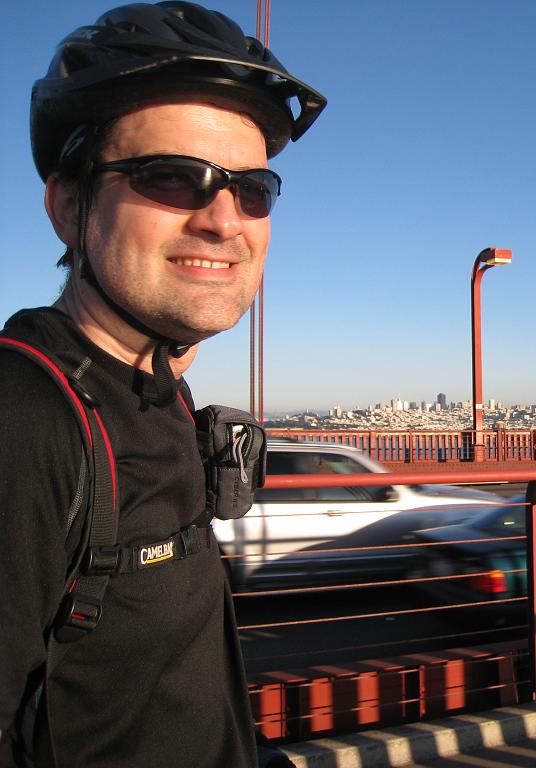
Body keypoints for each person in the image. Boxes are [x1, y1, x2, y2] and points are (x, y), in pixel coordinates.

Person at [0, 3, 325, 766]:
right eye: (172, 178)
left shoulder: (159, 390)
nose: (223, 219)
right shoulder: (25, 418)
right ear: (69, 206)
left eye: (253, 190)